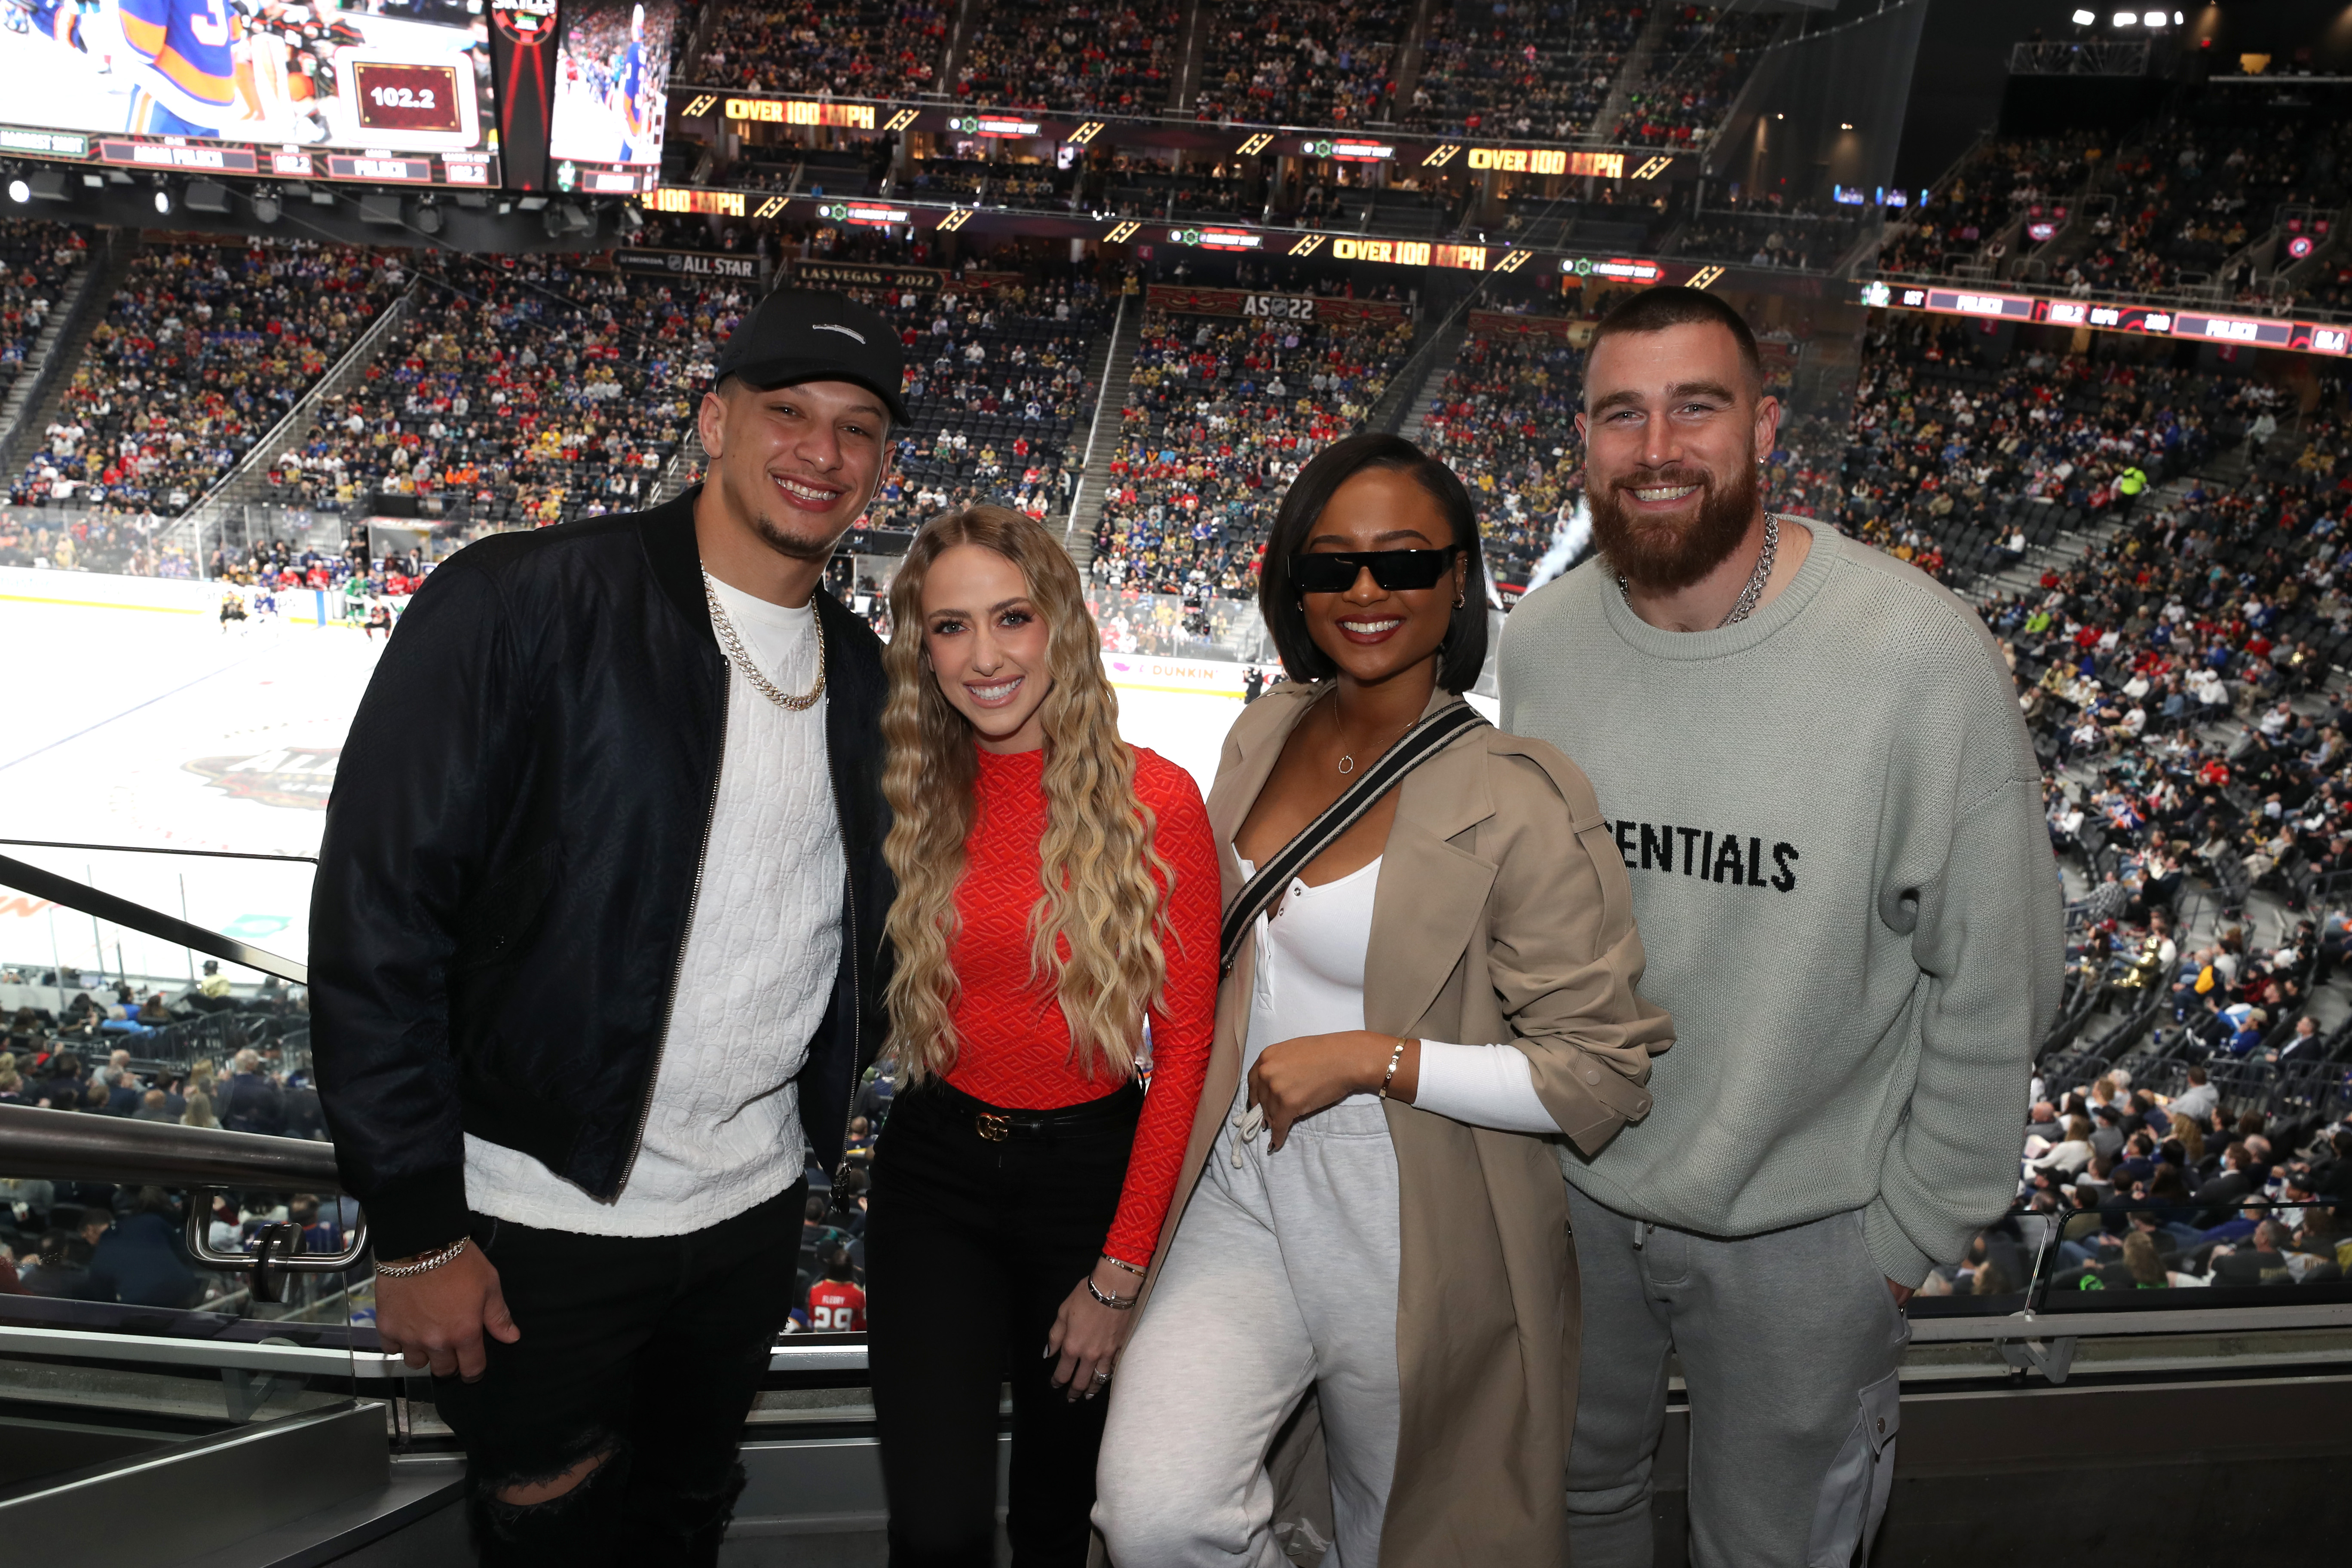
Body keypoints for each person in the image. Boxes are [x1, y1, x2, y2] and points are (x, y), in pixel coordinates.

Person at [311, 288, 904, 1566]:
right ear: (712, 421)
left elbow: (856, 939)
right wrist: (416, 1224)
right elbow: (378, 918)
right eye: (787, 412)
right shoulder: (521, 601)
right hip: (537, 1222)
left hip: (748, 1222)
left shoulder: (864, 678)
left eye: (857, 429)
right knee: (553, 1535)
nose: (821, 450)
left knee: (683, 1519)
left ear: (883, 466)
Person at [1499, 286, 2062, 1567]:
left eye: (1695, 408)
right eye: (1620, 415)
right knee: (1568, 1510)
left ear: (1764, 431)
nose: (1656, 448)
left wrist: (1909, 1235)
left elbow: (2000, 969)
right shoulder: (1543, 642)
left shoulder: (1917, 654)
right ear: (1583, 444)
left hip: (1811, 1235)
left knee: (1775, 1551)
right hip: (1577, 1196)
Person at [1097, 433, 1673, 1566]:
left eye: (1405, 563)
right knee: (1155, 1516)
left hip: (1409, 1216)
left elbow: (1601, 1072)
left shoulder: (1520, 796)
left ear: (1458, 579)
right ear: (1293, 585)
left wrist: (1377, 1058)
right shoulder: (1264, 731)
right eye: (1332, 567)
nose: (1367, 593)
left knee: (1396, 1532)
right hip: (1242, 1186)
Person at [864, 505, 1218, 1566]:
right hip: (936, 1178)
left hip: (1091, 1188)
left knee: (1059, 1523)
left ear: (1059, 622)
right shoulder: (915, 789)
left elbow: (1188, 1044)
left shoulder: (1157, 798)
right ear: (920, 650)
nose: (983, 657)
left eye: (1010, 618)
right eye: (949, 628)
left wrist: (1117, 1274)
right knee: (936, 1529)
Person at [806, 1245, 867, 1332]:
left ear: (831, 1267)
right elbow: (862, 1325)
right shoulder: (858, 1293)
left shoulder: (816, 1289)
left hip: (818, 1343)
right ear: (850, 1269)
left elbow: (812, 1319)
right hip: (847, 1343)